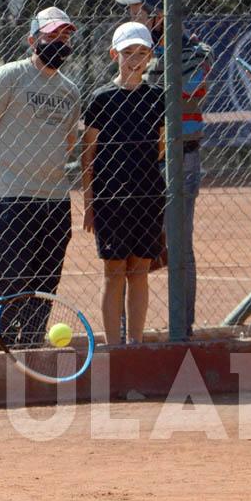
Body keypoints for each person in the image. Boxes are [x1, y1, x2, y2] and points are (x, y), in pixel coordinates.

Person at [0, 7, 80, 348]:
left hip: (56, 200)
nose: (60, 42)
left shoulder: (70, 91)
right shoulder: (8, 78)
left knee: (46, 281)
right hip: (12, 197)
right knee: (14, 279)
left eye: (65, 36)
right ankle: (3, 346)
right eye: (51, 36)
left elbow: (68, 142)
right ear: (32, 39)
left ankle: (31, 344)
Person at [116, 0, 213, 338]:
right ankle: (128, 333)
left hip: (181, 158)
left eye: (137, 10)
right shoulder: (138, 50)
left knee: (178, 247)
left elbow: (179, 90)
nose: (131, 16)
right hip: (141, 158)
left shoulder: (196, 51)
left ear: (158, 15)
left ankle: (181, 331)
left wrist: (149, 61)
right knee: (130, 244)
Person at [82, 22, 166, 345]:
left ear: (150, 57)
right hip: (110, 201)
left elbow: (160, 146)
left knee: (140, 272)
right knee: (114, 273)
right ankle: (114, 347)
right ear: (113, 54)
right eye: (128, 52)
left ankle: (135, 343)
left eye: (142, 53)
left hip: (147, 197)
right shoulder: (101, 99)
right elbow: (88, 154)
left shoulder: (157, 98)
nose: (134, 59)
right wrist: (90, 203)